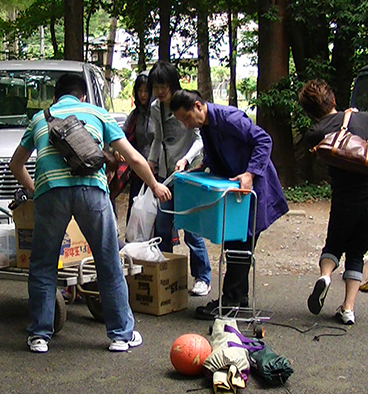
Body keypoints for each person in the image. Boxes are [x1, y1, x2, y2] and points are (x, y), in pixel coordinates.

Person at [9, 73, 171, 353]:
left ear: (55, 98)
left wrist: (38, 190)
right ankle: (121, 335)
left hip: (51, 193)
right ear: (83, 96)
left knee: (43, 265)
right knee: (107, 261)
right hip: (91, 191)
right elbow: (132, 157)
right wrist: (154, 185)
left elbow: (16, 164)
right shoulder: (97, 113)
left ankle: (39, 335)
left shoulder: (39, 119)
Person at [169, 89, 289, 320]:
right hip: (234, 190)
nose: (185, 125)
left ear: (197, 106)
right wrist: (203, 165)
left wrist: (251, 172)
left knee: (241, 243)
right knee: (235, 241)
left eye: (186, 118)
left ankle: (231, 301)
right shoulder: (205, 126)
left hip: (253, 188)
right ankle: (237, 298)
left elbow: (264, 140)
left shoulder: (229, 117)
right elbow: (217, 152)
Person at [298, 79, 368, 325]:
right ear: (333, 99)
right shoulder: (362, 118)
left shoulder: (313, 134)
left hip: (344, 198)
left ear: (309, 111)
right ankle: (348, 309)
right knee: (357, 252)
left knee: (333, 245)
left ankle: (325, 276)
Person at [146, 61, 213, 297]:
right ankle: (167, 275)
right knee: (162, 226)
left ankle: (202, 277)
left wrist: (186, 159)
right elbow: (157, 139)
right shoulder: (156, 108)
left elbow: (200, 139)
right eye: (155, 87)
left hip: (188, 175)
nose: (159, 91)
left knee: (191, 228)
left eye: (163, 86)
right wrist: (151, 161)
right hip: (166, 174)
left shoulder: (186, 104)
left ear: (172, 84)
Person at [120, 73, 156, 222]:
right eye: (139, 91)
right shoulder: (135, 115)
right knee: (136, 212)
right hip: (138, 171)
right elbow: (122, 135)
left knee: (157, 216)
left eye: (146, 91)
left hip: (158, 171)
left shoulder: (159, 114)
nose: (143, 95)